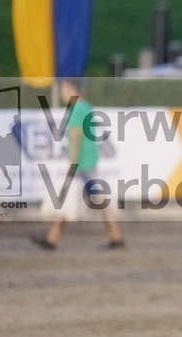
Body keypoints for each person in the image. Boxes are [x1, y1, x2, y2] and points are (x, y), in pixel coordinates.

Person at [32, 78, 125, 250]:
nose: (61, 93)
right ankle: (52, 239)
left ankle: (51, 240)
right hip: (89, 160)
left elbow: (76, 136)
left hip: (81, 163)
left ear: (70, 88)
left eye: (63, 89)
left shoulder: (75, 110)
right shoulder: (86, 107)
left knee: (74, 200)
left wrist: (73, 162)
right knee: (91, 200)